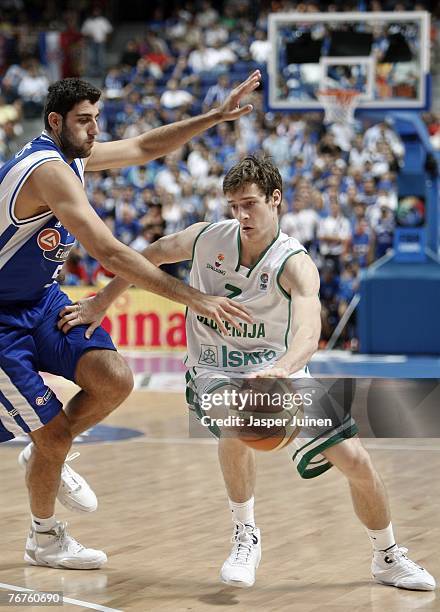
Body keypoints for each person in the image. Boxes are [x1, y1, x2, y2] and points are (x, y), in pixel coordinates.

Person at [59, 156, 435, 591]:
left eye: (250, 204)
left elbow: (309, 331)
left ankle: (387, 556)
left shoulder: (294, 263)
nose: (241, 215)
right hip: (212, 367)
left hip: (277, 368)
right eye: (234, 205)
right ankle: (245, 533)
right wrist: (103, 300)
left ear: (275, 200)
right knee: (237, 418)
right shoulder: (208, 239)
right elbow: (150, 255)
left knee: (356, 460)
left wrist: (283, 370)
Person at [0, 73, 260, 570]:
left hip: (40, 299)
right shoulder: (45, 170)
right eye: (84, 120)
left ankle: (43, 457)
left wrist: (214, 117)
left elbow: (143, 147)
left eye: (98, 118)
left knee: (114, 379)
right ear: (55, 122)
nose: (95, 128)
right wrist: (196, 299)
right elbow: (109, 252)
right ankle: (44, 537)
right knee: (52, 434)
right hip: (1, 319)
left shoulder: (72, 154)